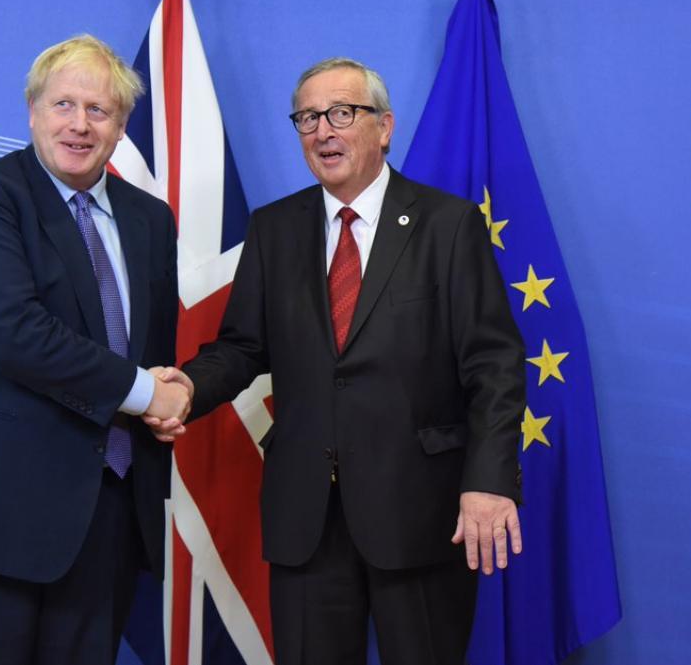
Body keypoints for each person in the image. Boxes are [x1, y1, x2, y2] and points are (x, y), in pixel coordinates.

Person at [156, 57, 526, 664]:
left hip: (420, 510)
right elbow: (245, 347)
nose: (323, 130)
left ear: (383, 127)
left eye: (341, 113)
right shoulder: (275, 229)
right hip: (307, 517)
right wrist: (187, 390)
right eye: (307, 118)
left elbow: (494, 364)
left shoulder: (448, 225)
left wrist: (488, 481)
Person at [0, 34, 190, 665]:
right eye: (64, 105)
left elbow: (151, 345)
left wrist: (173, 391)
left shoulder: (150, 218)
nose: (79, 125)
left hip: (107, 522)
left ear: (121, 127)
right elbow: (13, 331)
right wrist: (149, 394)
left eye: (99, 111)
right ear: (33, 110)